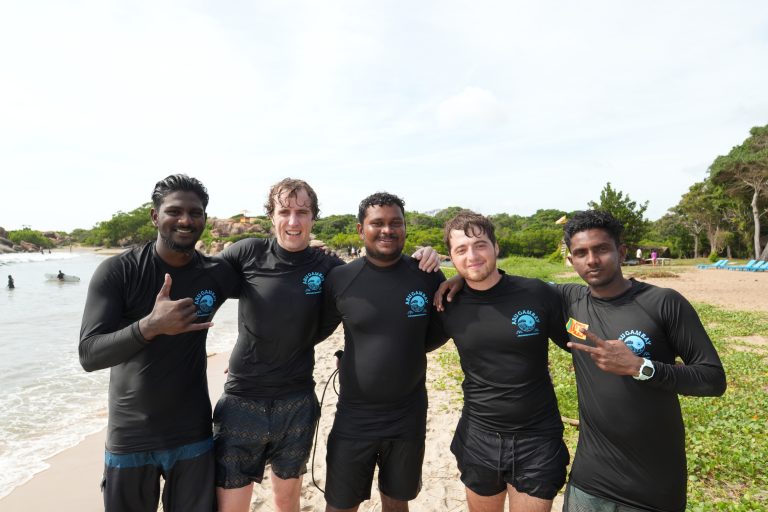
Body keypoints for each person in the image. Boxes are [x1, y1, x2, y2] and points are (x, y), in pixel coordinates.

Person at [213, 181, 441, 512]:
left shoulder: (334, 268)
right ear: (271, 216)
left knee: (293, 499)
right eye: (284, 212)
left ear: (313, 217)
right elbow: (203, 285)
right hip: (252, 397)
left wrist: (432, 258)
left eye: (302, 212)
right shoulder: (253, 253)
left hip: (308, 400)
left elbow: (437, 318)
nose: (293, 221)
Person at [79, 174, 239, 512]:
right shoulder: (119, 271)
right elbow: (89, 354)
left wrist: (245, 355)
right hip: (131, 437)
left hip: (193, 434)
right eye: (174, 211)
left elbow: (270, 297)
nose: (185, 220)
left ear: (205, 219)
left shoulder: (217, 273)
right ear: (155, 216)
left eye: (195, 213)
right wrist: (149, 326)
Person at [559, 210, 726, 511]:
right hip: (588, 483)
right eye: (581, 253)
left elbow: (713, 380)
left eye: (601, 249)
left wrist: (641, 367)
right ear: (571, 260)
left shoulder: (663, 302)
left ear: (621, 252)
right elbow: (510, 289)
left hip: (652, 487)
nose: (592, 260)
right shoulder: (569, 301)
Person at [317, 192, 446, 512]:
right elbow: (314, 329)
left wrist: (403, 349)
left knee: (397, 501)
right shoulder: (340, 278)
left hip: (408, 415)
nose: (387, 230)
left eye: (395, 223)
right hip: (354, 415)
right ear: (361, 229)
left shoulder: (427, 274)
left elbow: (441, 330)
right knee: (340, 504)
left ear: (405, 228)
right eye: (377, 223)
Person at [437, 211, 570, 512]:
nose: (472, 256)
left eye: (480, 245)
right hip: (478, 436)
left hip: (537, 439)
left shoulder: (536, 292)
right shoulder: (447, 303)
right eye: (461, 249)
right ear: (451, 257)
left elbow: (576, 344)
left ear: (496, 247)